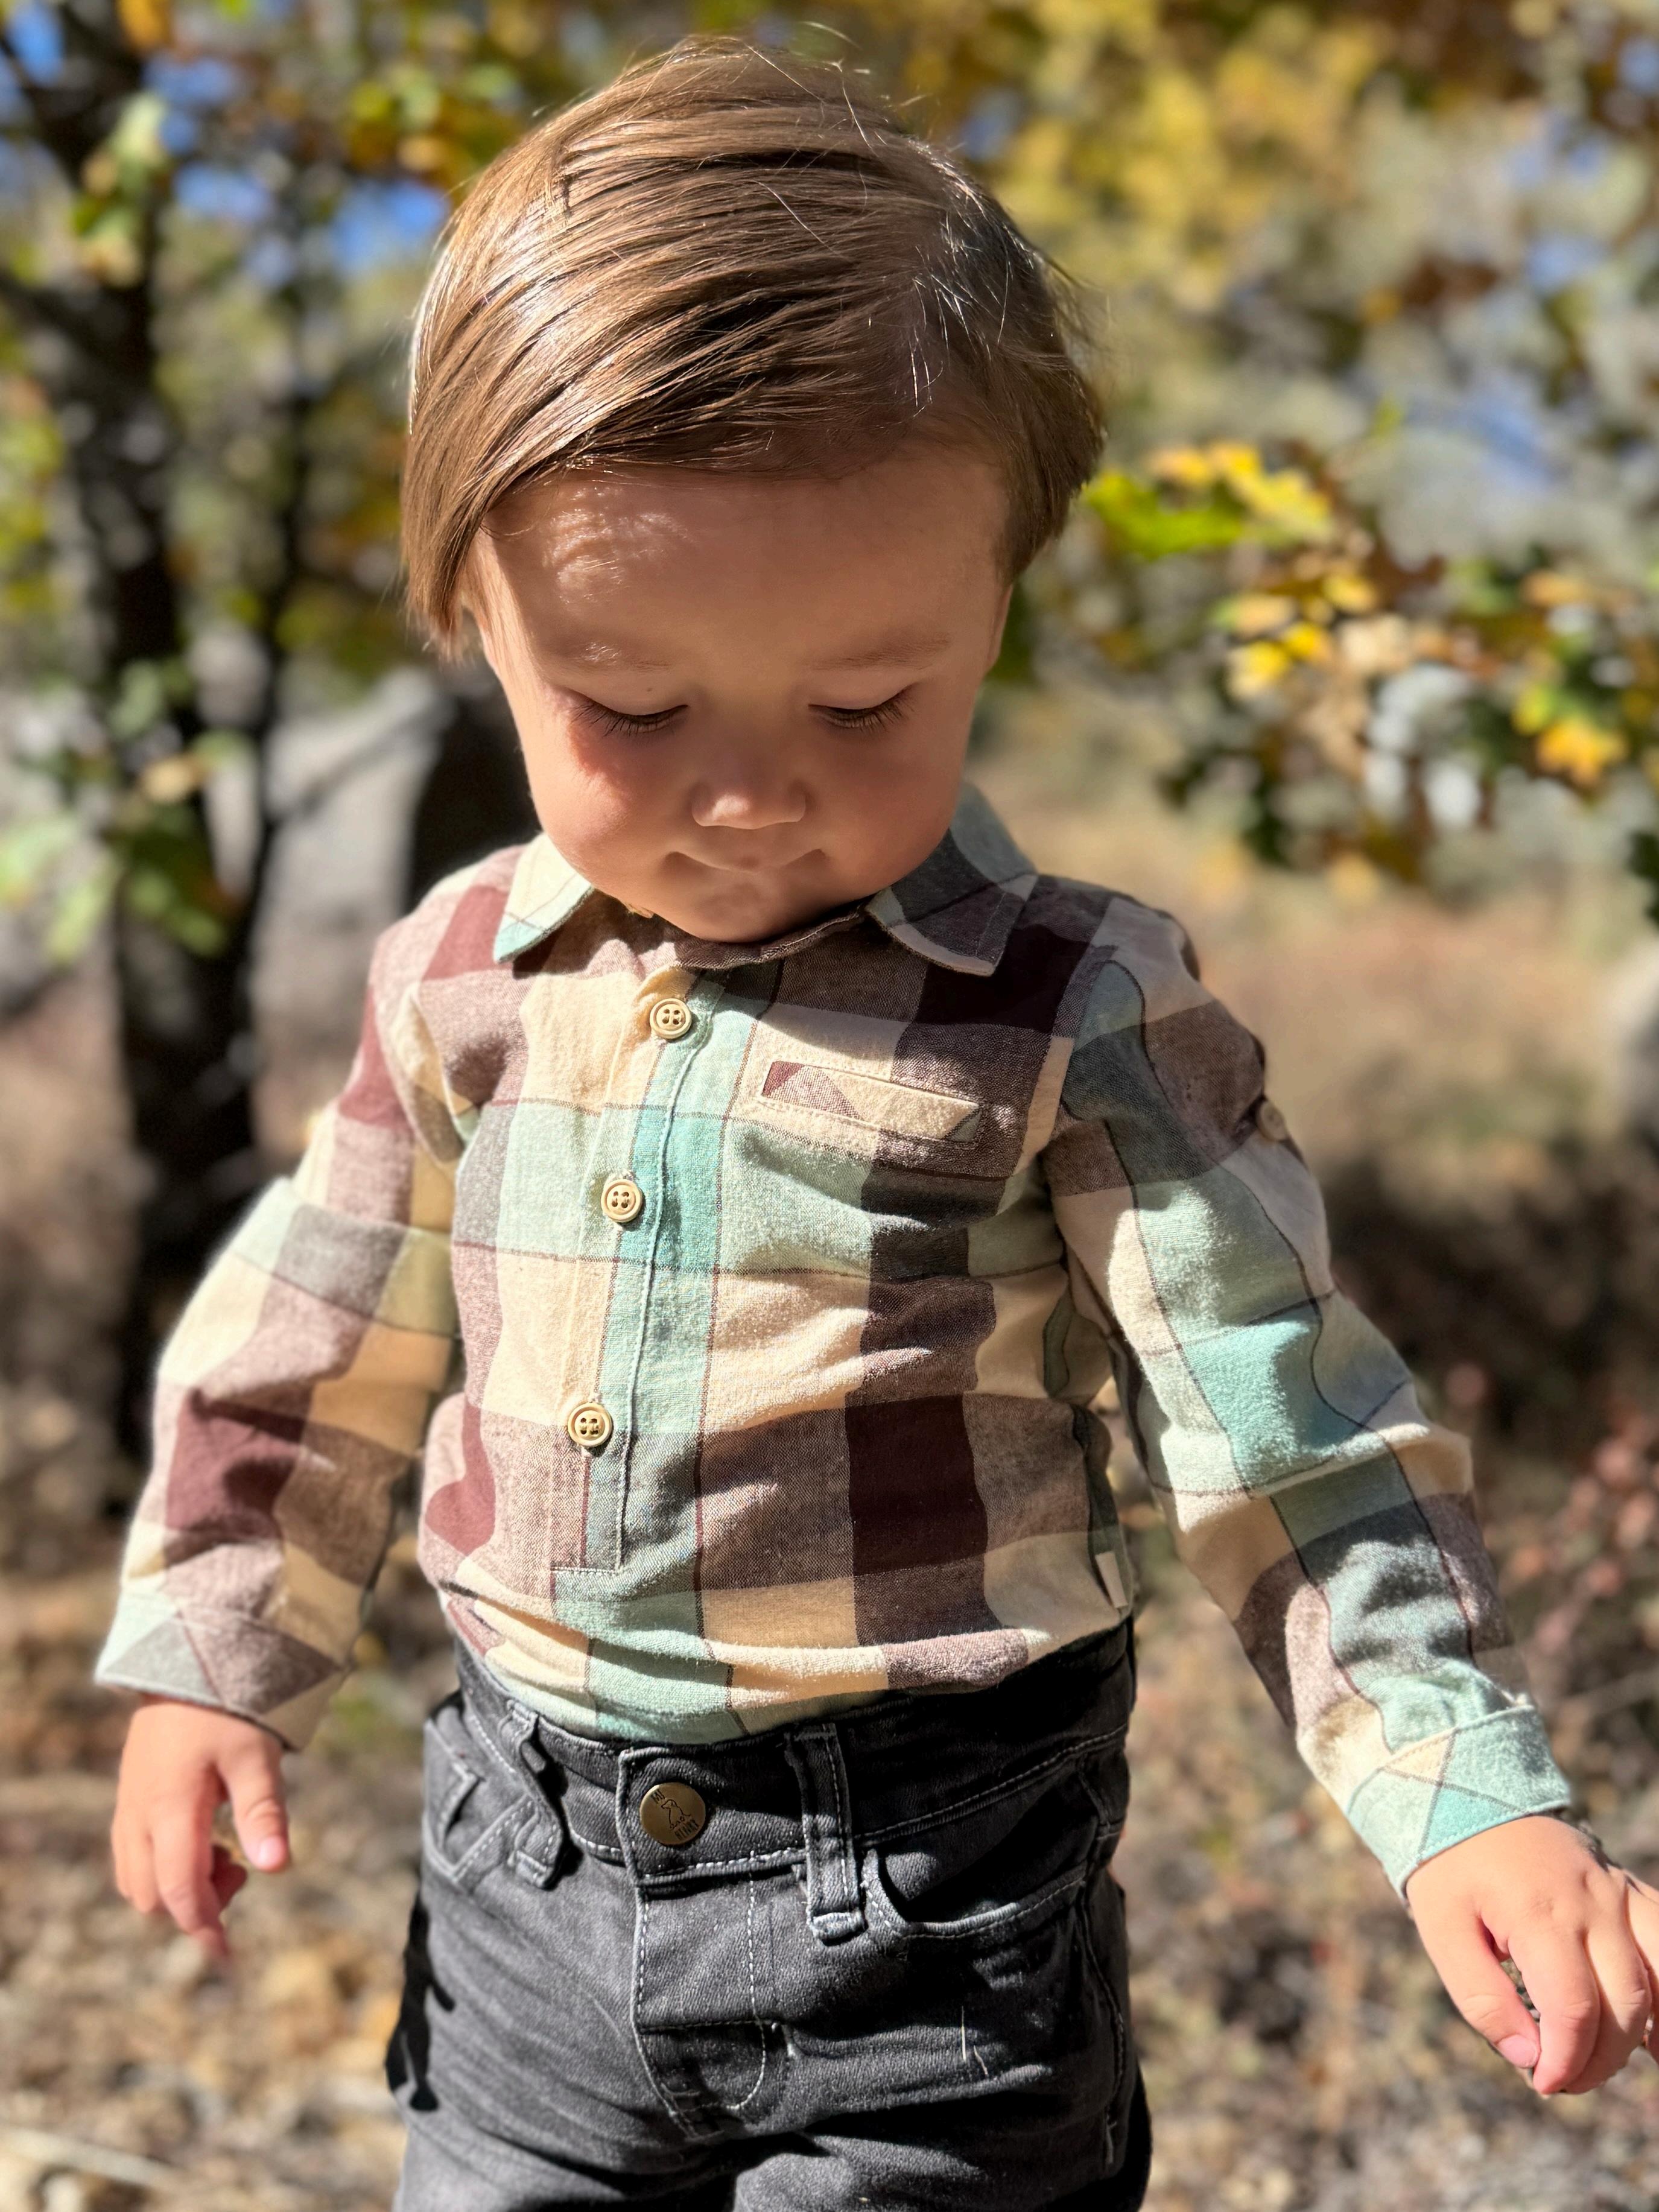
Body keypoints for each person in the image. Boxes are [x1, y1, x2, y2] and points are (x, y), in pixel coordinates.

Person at [97, 36, 1659, 2211]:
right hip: (521, 1899)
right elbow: (313, 1342)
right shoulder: (459, 975)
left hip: (931, 1921)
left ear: (994, 600)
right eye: (632, 706)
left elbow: (1288, 1432)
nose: (754, 791)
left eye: (867, 700)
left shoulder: (1071, 1011)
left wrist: (1461, 1789)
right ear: (474, 616)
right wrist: (214, 1656)